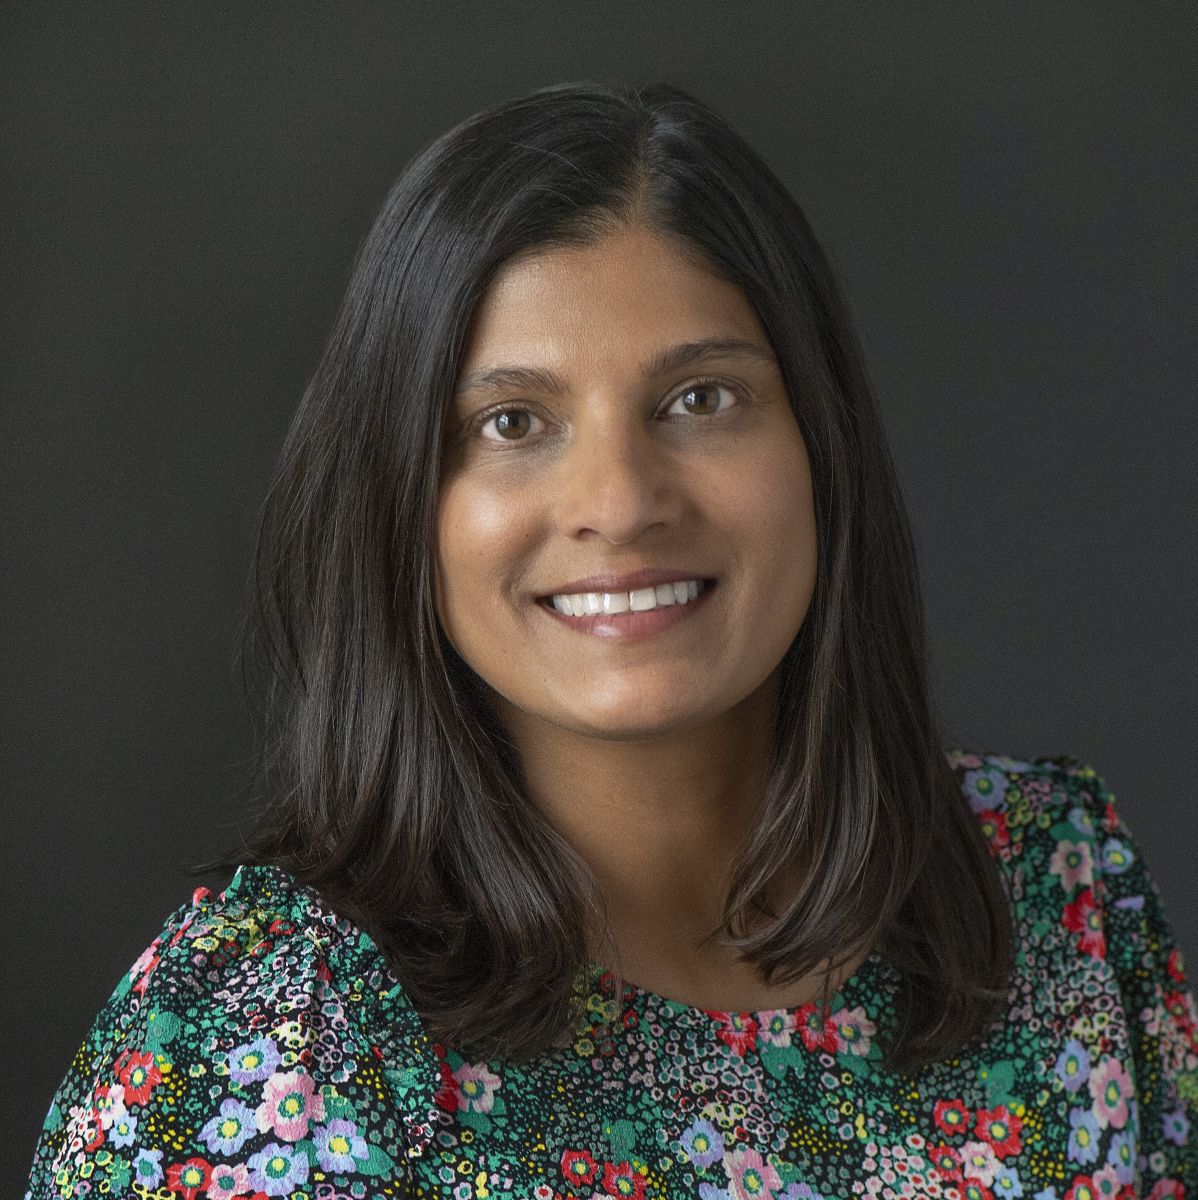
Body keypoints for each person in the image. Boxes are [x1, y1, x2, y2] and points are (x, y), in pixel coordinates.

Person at [24, 79, 1197, 1200]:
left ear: (821, 448)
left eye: (700, 399)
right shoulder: (266, 1031)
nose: (621, 500)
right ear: (399, 501)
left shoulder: (1050, 886)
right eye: (511, 421)